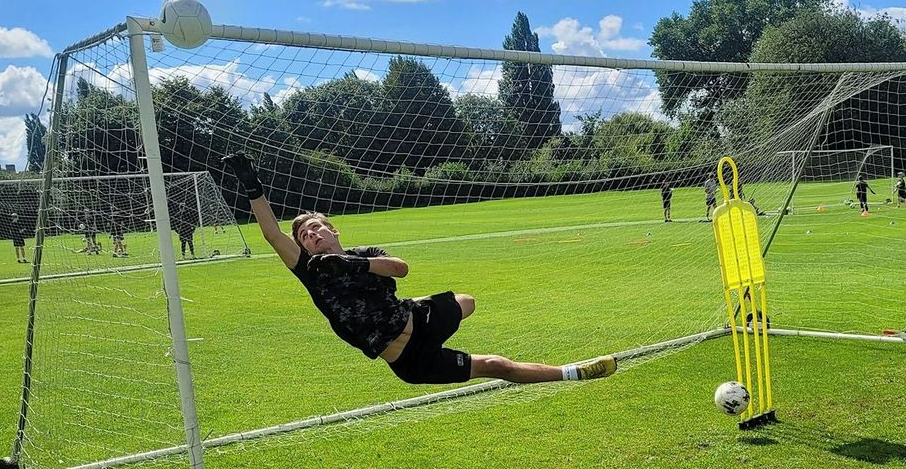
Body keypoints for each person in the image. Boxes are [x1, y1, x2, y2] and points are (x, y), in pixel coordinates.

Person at [218, 151, 617, 385]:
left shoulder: (363, 252)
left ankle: (573, 371)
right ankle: (574, 372)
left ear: (332, 227)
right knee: (495, 366)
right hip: (409, 359)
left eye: (316, 226)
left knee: (468, 300)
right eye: (304, 234)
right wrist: (253, 186)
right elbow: (271, 233)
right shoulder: (310, 269)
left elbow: (400, 267)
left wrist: (353, 265)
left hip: (420, 319)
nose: (312, 234)